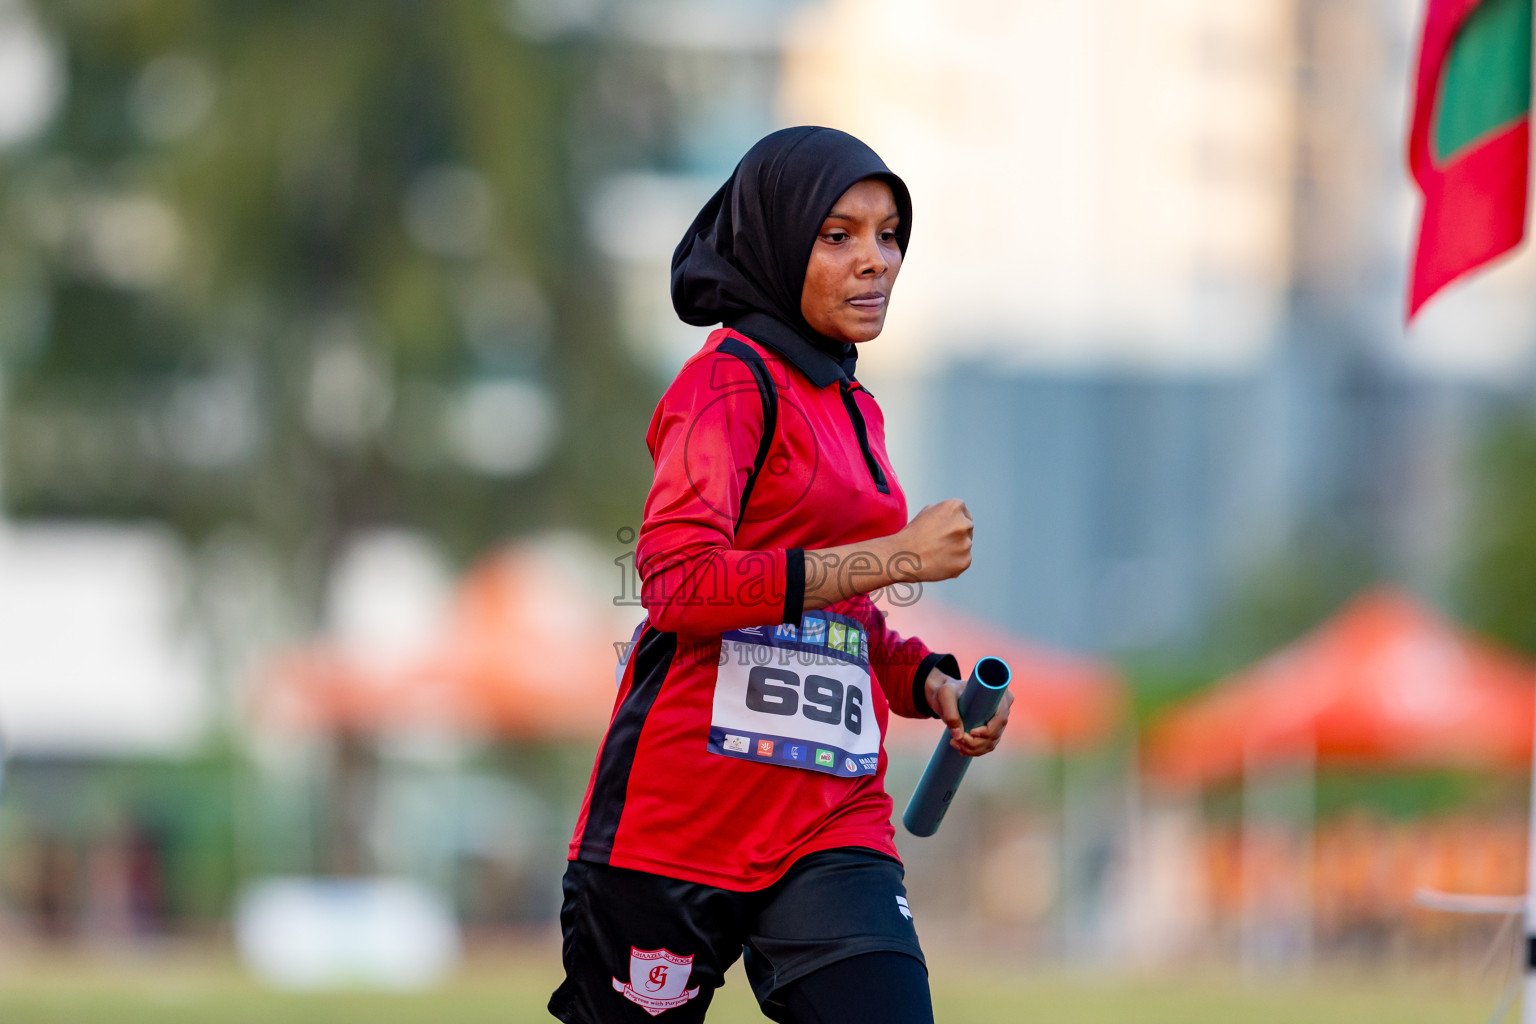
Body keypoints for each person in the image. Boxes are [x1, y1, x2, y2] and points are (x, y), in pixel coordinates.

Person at [549, 126, 1013, 1024]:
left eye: (888, 235)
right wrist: (898, 556)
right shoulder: (727, 385)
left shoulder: (855, 405)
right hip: (681, 828)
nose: (874, 261)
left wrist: (928, 681)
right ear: (774, 240)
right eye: (838, 236)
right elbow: (681, 585)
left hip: (831, 826)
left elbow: (841, 607)